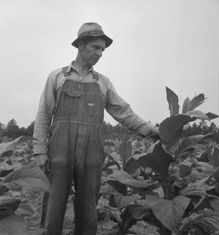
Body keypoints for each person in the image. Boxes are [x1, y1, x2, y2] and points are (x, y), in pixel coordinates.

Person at [33, 22, 159, 235]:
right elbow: (44, 115)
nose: (100, 53)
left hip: (91, 154)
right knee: (54, 204)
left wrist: (150, 130)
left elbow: (124, 112)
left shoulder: (103, 83)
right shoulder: (57, 77)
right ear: (81, 45)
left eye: (102, 49)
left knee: (88, 207)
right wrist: (39, 150)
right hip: (59, 154)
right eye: (95, 47)